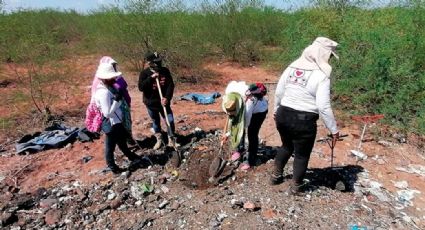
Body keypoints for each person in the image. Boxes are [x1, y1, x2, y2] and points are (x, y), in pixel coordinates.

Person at [271, 37, 340, 194]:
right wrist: (333, 129)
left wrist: (276, 110)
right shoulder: (322, 75)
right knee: (302, 154)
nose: (330, 59)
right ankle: (296, 186)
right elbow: (323, 106)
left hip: (283, 114)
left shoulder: (292, 67)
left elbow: (279, 91)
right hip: (303, 120)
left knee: (286, 146)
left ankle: (275, 176)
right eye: (329, 55)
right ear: (324, 54)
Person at [94, 61, 142, 174]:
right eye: (112, 77)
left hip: (117, 121)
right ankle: (112, 167)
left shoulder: (108, 87)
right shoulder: (104, 92)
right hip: (111, 123)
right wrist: (117, 101)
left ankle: (131, 156)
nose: (114, 79)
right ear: (105, 79)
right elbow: (107, 113)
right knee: (110, 146)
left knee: (122, 141)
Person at [90, 56, 135, 145]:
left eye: (114, 65)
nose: (114, 67)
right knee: (117, 127)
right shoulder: (102, 81)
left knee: (127, 122)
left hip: (122, 102)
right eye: (112, 65)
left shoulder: (115, 76)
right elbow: (98, 98)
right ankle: (123, 143)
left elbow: (123, 85)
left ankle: (128, 139)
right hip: (112, 108)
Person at [138, 51, 176, 150]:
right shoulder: (144, 73)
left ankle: (171, 139)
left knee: (170, 120)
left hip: (164, 103)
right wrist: (151, 78)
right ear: (149, 63)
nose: (158, 64)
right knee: (155, 122)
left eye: (159, 61)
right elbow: (141, 87)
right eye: (155, 62)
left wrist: (167, 98)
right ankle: (159, 139)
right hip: (151, 104)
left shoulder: (165, 71)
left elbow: (170, 85)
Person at [240, 83, 268, 170]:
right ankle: (249, 152)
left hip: (256, 117)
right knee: (254, 134)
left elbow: (248, 115)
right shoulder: (262, 97)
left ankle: (250, 161)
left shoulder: (251, 101)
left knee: (252, 136)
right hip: (262, 113)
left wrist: (244, 126)